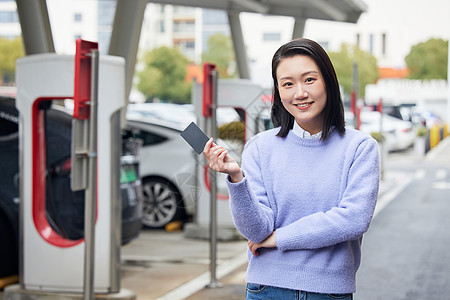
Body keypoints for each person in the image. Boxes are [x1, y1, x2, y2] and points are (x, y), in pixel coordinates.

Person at [203, 38, 379, 300]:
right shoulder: (260, 147)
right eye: (287, 84)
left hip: (328, 291)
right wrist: (236, 177)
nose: (299, 93)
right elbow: (257, 232)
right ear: (278, 91)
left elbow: (353, 219)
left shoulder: (360, 147)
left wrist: (278, 239)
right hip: (266, 289)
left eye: (309, 79)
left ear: (328, 82)